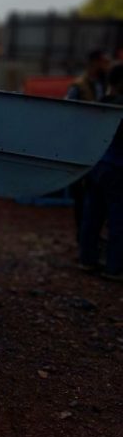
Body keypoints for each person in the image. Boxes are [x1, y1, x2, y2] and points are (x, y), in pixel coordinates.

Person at [78, 62, 123, 280]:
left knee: (92, 216)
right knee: (118, 219)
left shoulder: (101, 103)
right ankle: (115, 268)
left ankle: (87, 260)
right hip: (117, 168)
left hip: (95, 165)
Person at [66, 50, 111, 238]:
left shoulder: (107, 85)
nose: (107, 66)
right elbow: (67, 113)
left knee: (98, 196)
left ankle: (91, 237)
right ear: (94, 63)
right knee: (81, 195)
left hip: (101, 147)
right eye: (104, 62)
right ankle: (83, 236)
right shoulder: (78, 86)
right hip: (81, 146)